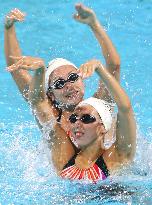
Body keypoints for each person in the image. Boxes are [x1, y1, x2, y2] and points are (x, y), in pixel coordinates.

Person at [5, 4, 120, 169]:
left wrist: (94, 25)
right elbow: (16, 69)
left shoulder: (97, 106)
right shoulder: (50, 114)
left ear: (83, 79)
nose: (69, 85)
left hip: (105, 175)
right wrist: (9, 28)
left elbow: (114, 66)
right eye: (59, 84)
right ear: (51, 94)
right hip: (69, 180)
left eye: (73, 77)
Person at [60, 62, 136, 181]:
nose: (77, 123)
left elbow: (125, 108)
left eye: (87, 118)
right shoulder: (65, 156)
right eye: (73, 118)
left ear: (103, 127)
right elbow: (39, 105)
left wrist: (99, 68)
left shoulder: (117, 156)